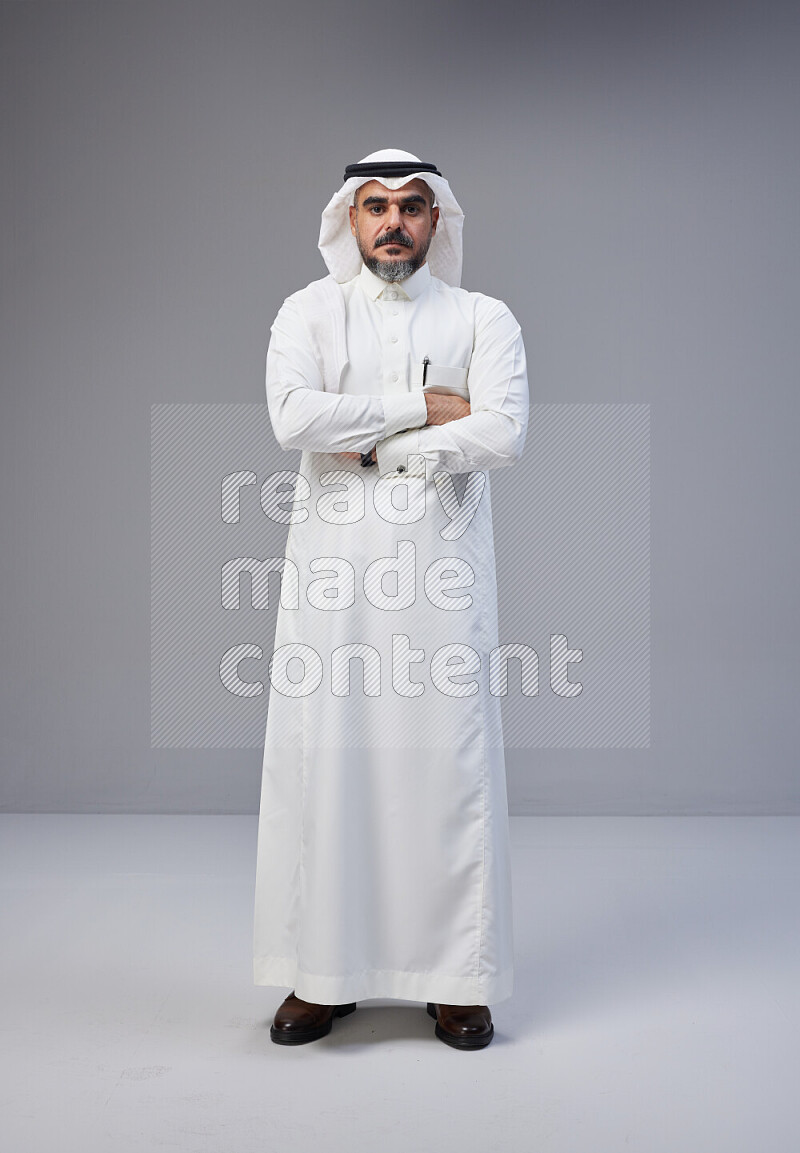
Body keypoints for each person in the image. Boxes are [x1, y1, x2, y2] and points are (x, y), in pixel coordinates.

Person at [253, 149, 529, 1050]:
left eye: (412, 206)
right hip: (334, 579)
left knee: (443, 768)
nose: (394, 222)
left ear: (437, 219)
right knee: (331, 761)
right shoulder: (309, 309)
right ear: (349, 219)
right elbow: (293, 418)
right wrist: (425, 407)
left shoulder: (484, 316)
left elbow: (503, 429)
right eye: (375, 206)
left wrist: (379, 444)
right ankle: (321, 976)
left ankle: (457, 978)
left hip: (442, 581)